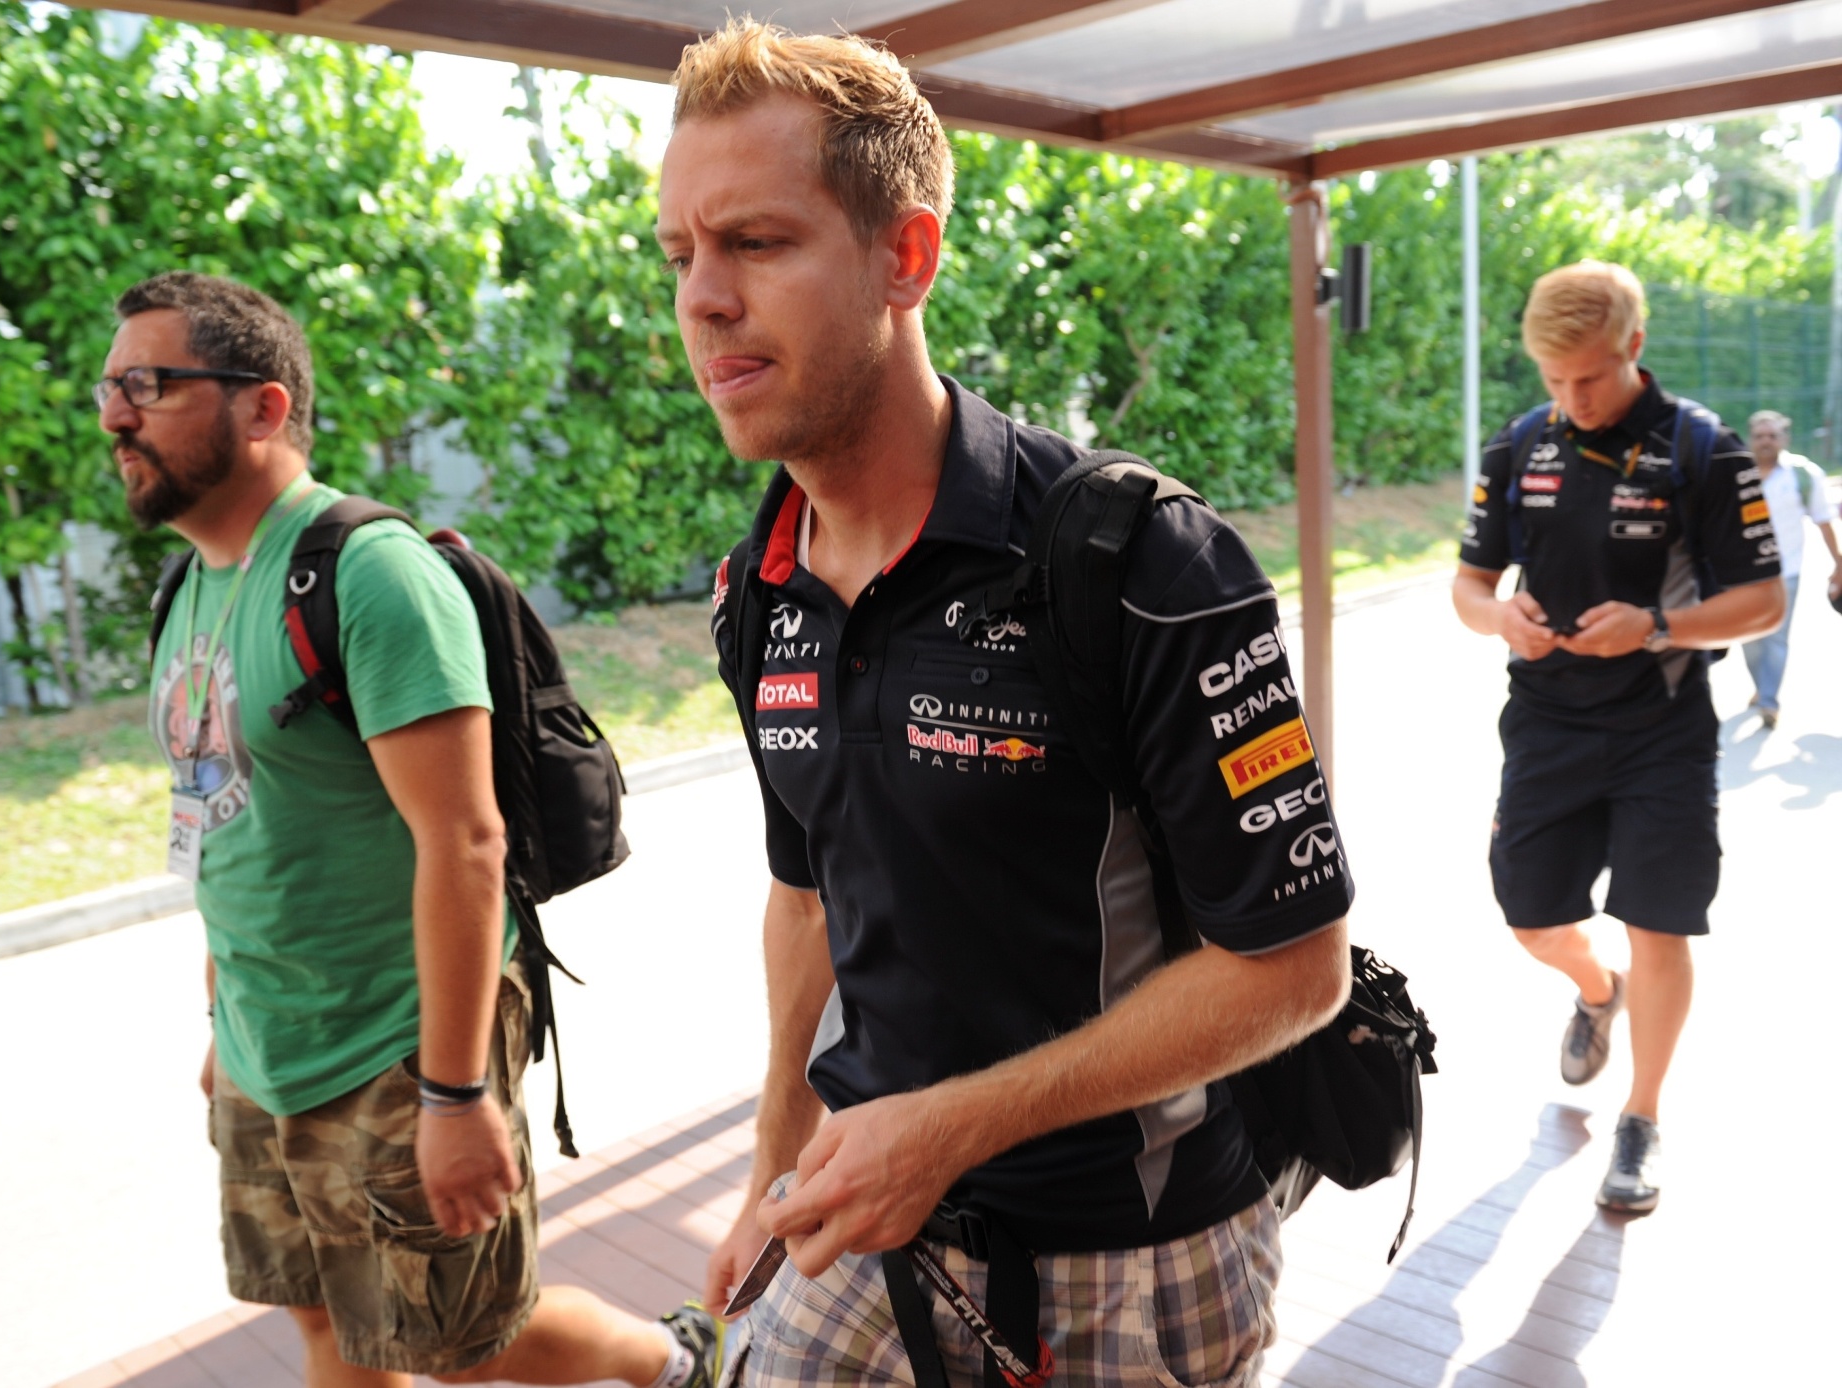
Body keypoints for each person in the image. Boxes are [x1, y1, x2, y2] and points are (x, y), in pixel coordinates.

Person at [666, 22, 1352, 1387]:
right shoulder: (762, 588)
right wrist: (770, 1164)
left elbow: (1294, 968)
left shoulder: (1136, 559)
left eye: (756, 242)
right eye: (679, 254)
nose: (703, 298)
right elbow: (806, 899)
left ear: (903, 257)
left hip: (1132, 1261)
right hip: (864, 1220)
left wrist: (946, 1131)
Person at [101, 271, 721, 1388]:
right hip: (264, 1043)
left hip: (394, 1043)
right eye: (109, 386)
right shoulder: (189, 586)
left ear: (264, 406)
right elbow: (227, 821)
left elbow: (466, 842)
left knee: (467, 1343)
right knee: (328, 1325)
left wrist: (452, 1091)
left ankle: (670, 1360)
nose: (113, 413)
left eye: (149, 383)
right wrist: (224, 1018)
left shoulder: (369, 574)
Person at [1452, 261, 1785, 1214]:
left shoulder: (1703, 450)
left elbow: (1762, 602)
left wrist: (1658, 626)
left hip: (1663, 727)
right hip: (1545, 724)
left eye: (1587, 378)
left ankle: (1641, 1119)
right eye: (1553, 380)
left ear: (1635, 347)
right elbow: (1469, 584)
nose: (1570, 399)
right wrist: (1496, 616)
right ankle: (1599, 991)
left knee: (1663, 921)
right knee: (1529, 918)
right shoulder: (1520, 444)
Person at [1739, 409, 1840, 727]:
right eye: (1760, 436)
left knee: (1776, 635)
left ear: (1784, 439)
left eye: (1772, 436)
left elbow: (1823, 520)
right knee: (1749, 637)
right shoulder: (1737, 471)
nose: (1766, 442)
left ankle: (1769, 700)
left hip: (1787, 571)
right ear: (1751, 439)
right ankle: (1760, 686)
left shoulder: (1801, 474)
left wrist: (1839, 563)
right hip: (1742, 571)